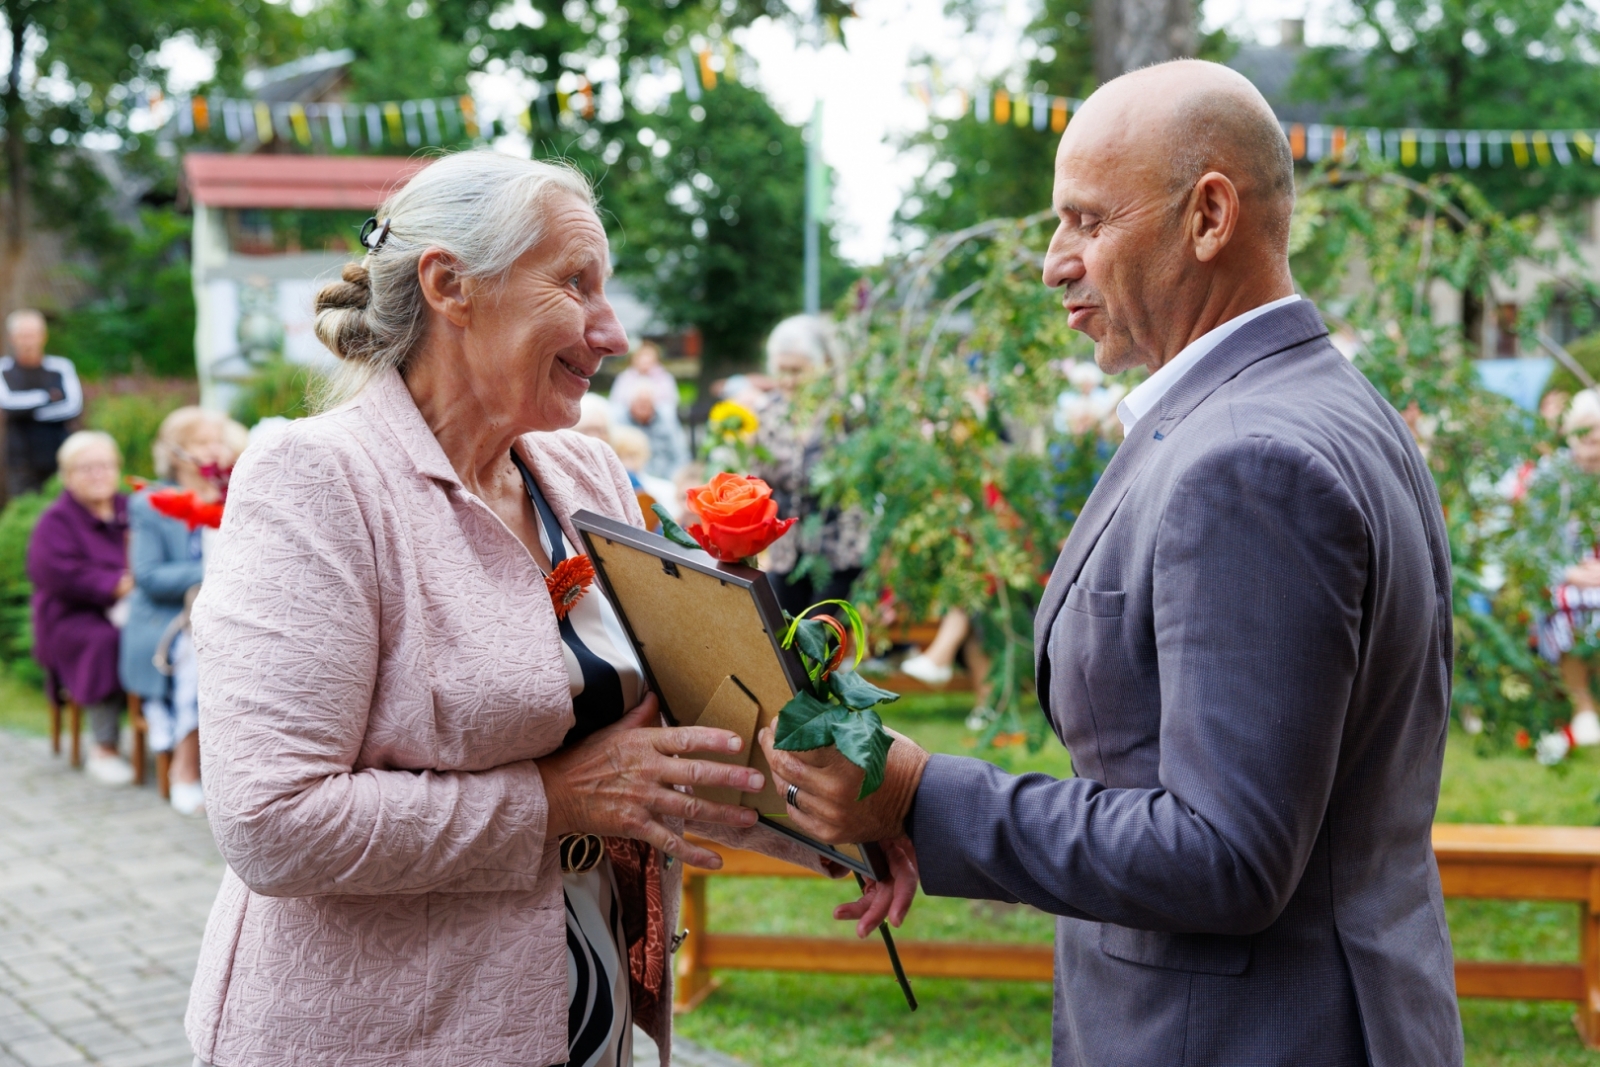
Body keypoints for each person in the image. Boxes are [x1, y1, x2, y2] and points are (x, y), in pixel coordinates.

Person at [761, 59, 1462, 1066]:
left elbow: (1225, 855)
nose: (1054, 261)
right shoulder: (1309, 402)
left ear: (1209, 216)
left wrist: (918, 795)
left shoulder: (1247, 459)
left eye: (1087, 222)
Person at [184, 151, 827, 1067]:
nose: (610, 332)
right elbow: (272, 821)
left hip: (578, 1014)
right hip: (378, 1034)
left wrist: (855, 823)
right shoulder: (317, 480)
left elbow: (673, 719)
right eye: (576, 284)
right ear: (451, 285)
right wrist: (554, 802)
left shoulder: (584, 473)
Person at [120, 407, 245, 817]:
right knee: (200, 653)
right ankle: (185, 769)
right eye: (202, 442)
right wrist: (219, 567)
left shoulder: (239, 494)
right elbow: (151, 577)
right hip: (168, 621)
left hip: (234, 614)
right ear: (177, 453)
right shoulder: (151, 502)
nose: (215, 449)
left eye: (218, 440)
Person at [27, 431, 131, 785]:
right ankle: (104, 747)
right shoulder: (56, 520)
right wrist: (115, 584)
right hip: (71, 617)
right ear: (67, 475)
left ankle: (176, 742)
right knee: (104, 642)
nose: (97, 474)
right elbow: (56, 573)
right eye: (85, 468)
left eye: (104, 465)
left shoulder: (131, 509)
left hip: (133, 607)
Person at [750, 314, 870, 617]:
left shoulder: (848, 414)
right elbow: (758, 484)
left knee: (820, 645)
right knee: (782, 643)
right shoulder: (768, 414)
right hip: (786, 555)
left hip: (841, 553)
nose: (788, 380)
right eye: (782, 370)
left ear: (824, 365)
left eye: (797, 371)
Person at [1531, 389, 1600, 745]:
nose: (1594, 450)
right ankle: (1583, 707)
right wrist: (1568, 571)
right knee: (1568, 602)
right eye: (1587, 440)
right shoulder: (1551, 476)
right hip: (1563, 576)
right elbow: (1531, 541)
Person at [0, 309, 83, 498]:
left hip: (60, 456)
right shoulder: (3, 369)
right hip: (21, 460)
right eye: (22, 336)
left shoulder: (61, 367)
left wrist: (27, 410)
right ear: (13, 338)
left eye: (32, 335)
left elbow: (73, 407)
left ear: (43, 337)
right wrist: (47, 397)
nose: (28, 341)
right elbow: (8, 405)